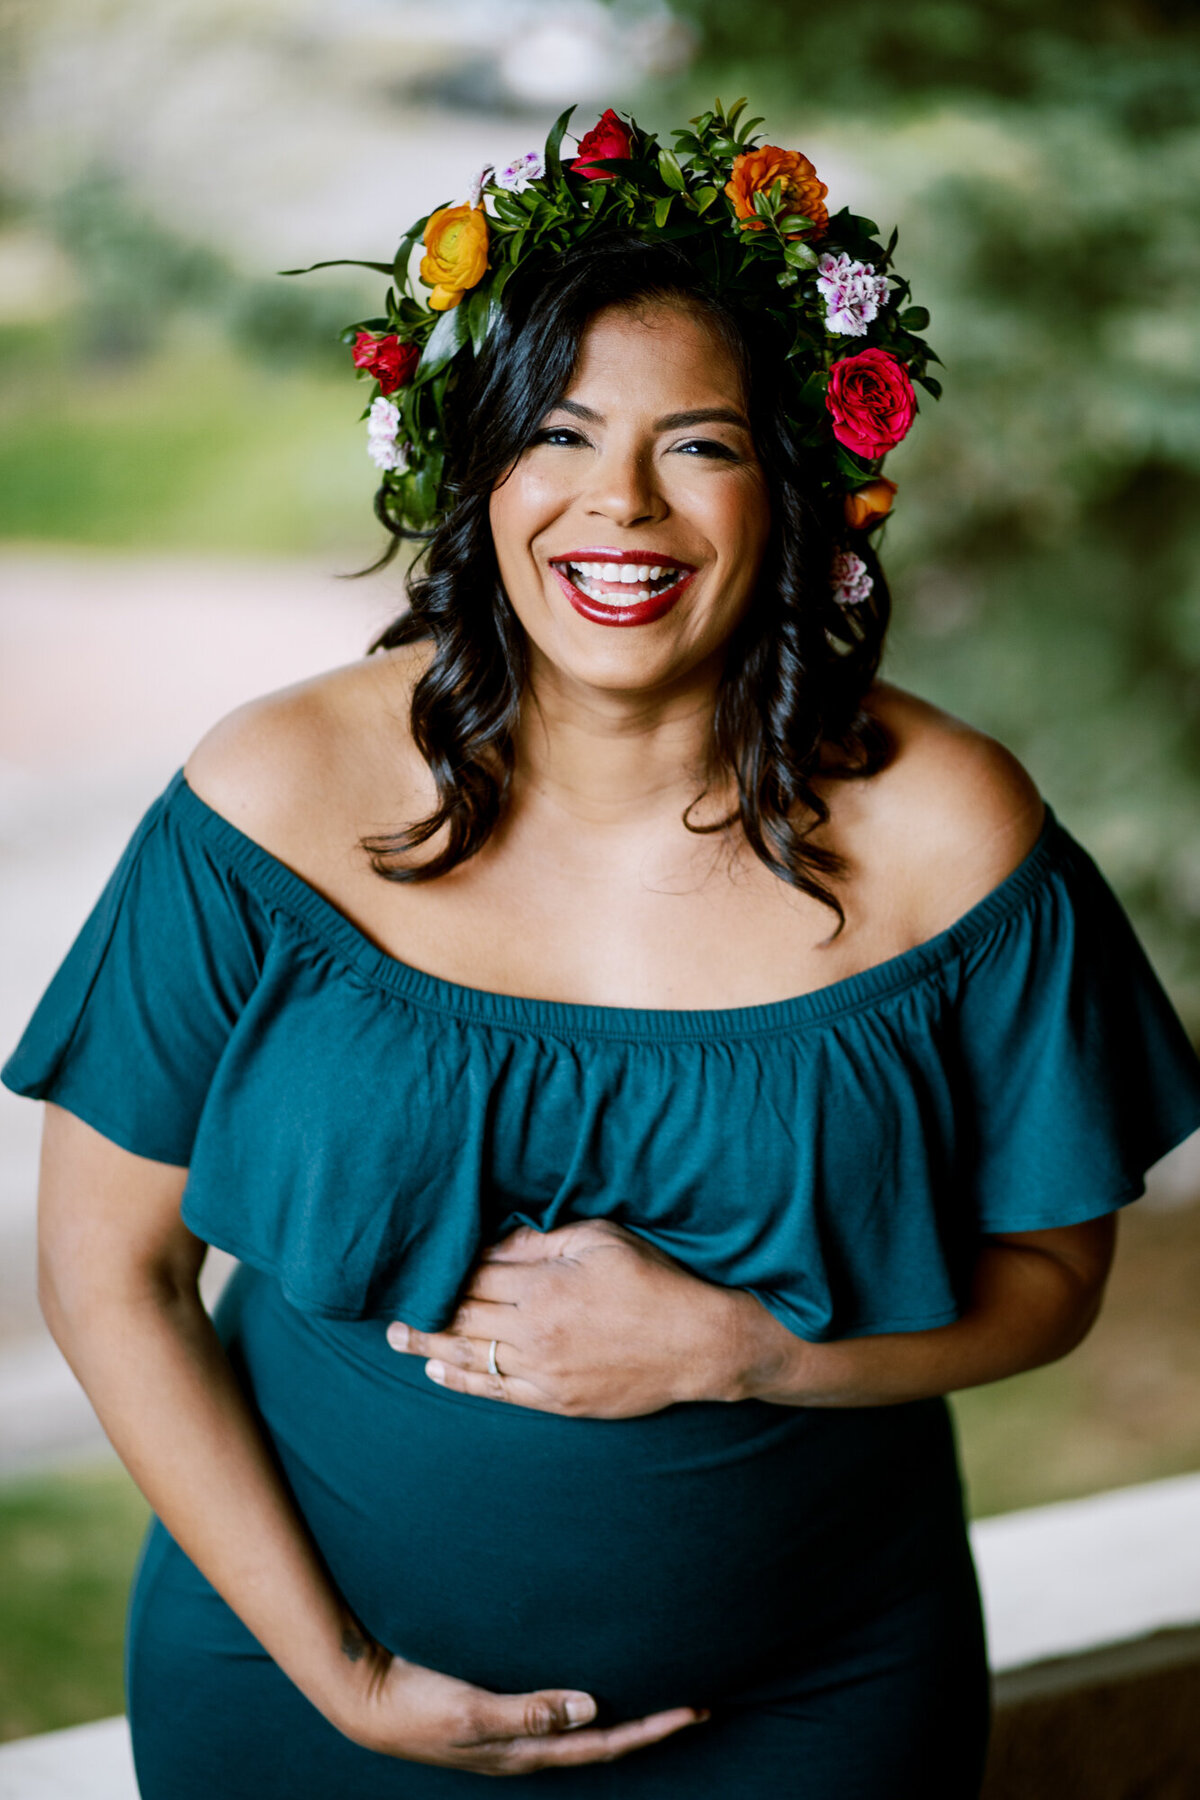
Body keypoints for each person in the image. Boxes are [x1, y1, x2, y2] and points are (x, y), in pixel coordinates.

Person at [6, 101, 1200, 1799]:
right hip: (298, 1704)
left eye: (699, 443)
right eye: (557, 435)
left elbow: (1057, 1286)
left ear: (794, 485)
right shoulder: (269, 797)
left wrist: (750, 1349)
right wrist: (341, 1680)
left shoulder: (955, 833)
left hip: (811, 1718)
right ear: (471, 469)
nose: (618, 507)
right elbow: (107, 1275)